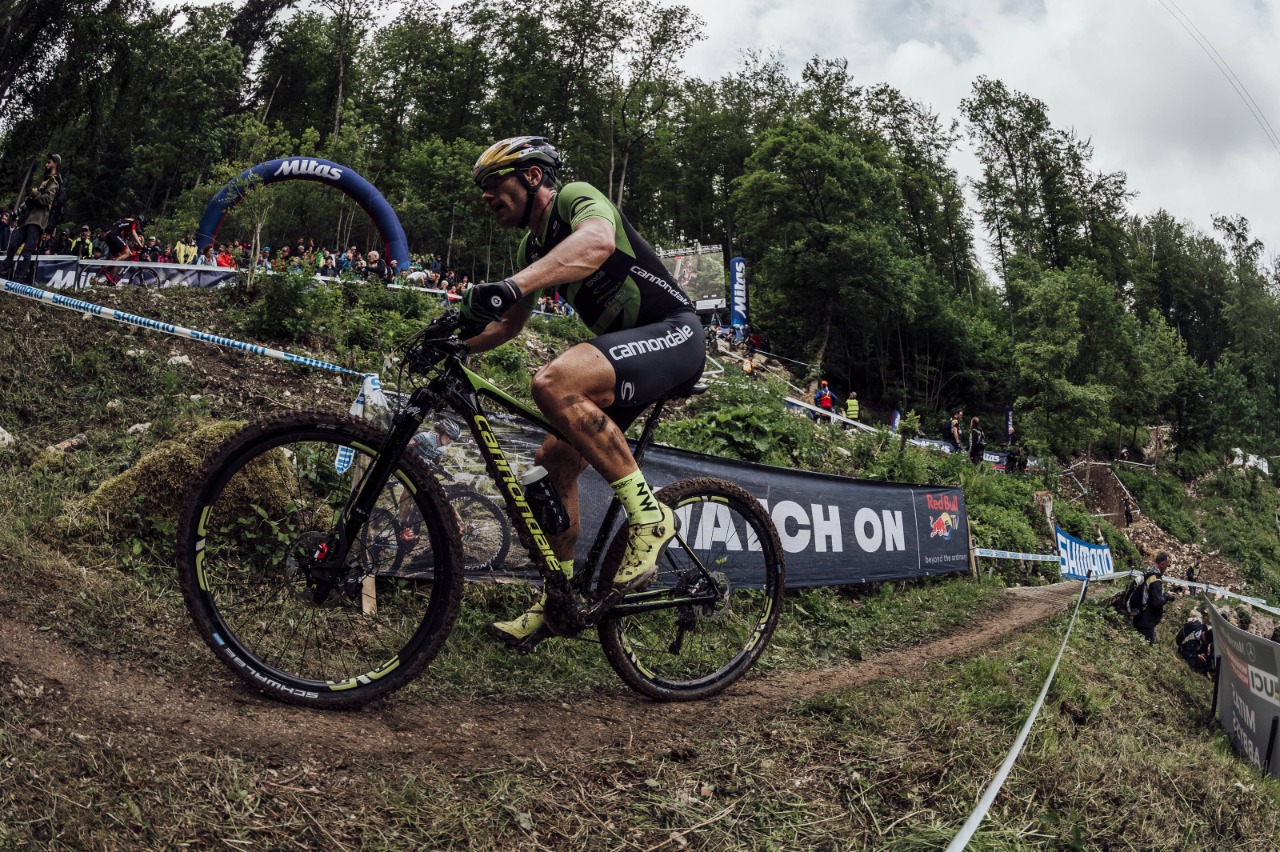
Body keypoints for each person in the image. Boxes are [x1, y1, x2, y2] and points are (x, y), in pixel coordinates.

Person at [460, 135, 702, 646]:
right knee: (549, 470)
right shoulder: (533, 248)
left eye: (492, 183)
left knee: (553, 380)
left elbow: (598, 243)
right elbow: (506, 326)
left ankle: (650, 517)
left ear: (531, 176)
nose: (485, 196)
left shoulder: (575, 198)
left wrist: (513, 284)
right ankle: (558, 603)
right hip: (631, 358)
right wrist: (455, 344)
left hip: (676, 334)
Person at [2, 153, 63, 283]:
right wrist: (15, 213)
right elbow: (29, 202)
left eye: (48, 162)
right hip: (29, 219)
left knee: (27, 251)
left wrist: (35, 195)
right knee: (13, 245)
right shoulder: (44, 181)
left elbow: (47, 200)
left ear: (55, 164)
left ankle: (19, 279)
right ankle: (2, 274)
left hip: (38, 222)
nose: (46, 164)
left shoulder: (54, 182)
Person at [1132, 552, 1173, 644]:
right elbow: (1158, 602)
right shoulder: (1155, 580)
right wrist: (1168, 596)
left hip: (1141, 615)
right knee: (1146, 645)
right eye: (1167, 565)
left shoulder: (1149, 572)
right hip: (1146, 621)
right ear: (1162, 564)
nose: (1167, 568)